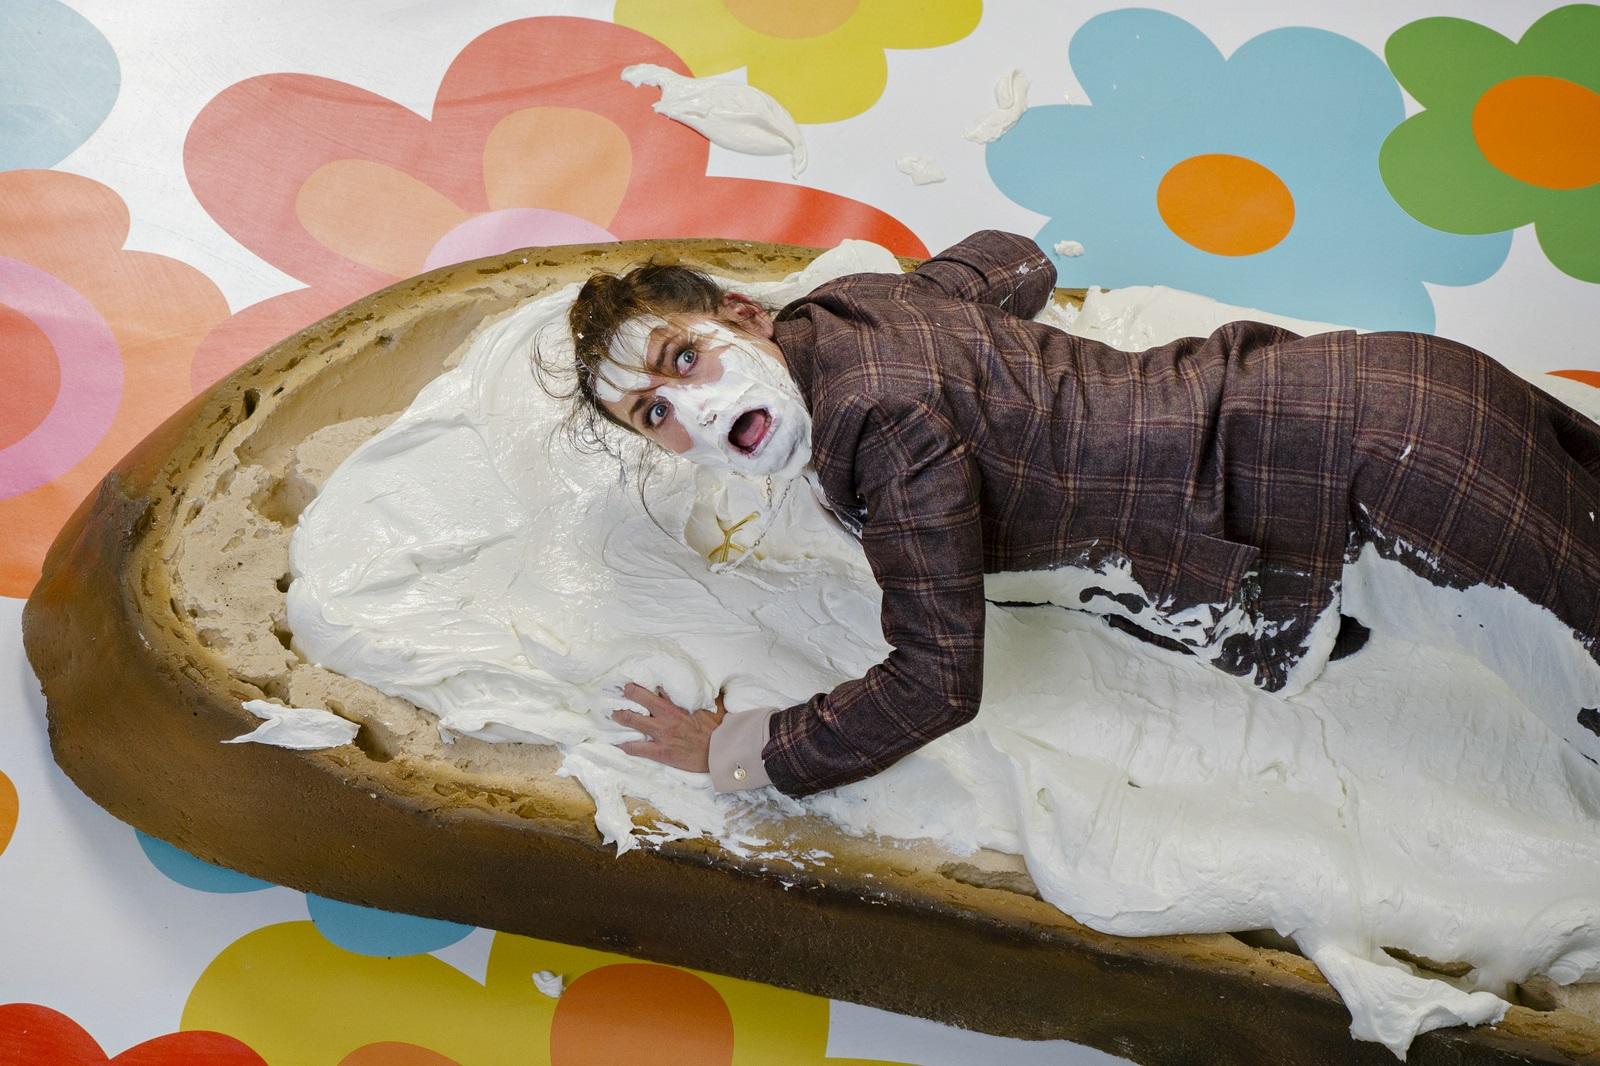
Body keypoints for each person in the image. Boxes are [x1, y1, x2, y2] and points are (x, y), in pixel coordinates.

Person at [546, 230, 1600, 799]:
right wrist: (954, 336)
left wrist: (741, 749)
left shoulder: (877, 422)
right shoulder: (861, 300)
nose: (693, 409)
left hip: (1382, 471)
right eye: (654, 414)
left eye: (684, 359)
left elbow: (935, 679)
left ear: (742, 315)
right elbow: (1015, 258)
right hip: (1384, 380)